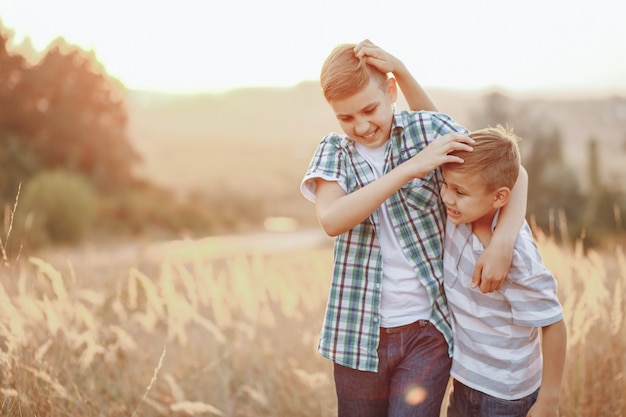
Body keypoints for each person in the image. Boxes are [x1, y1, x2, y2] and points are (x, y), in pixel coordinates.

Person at [300, 39, 528, 417]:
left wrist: (503, 242)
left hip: (428, 330)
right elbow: (332, 219)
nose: (361, 125)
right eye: (345, 117)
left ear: (391, 92)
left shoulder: (423, 130)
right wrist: (410, 168)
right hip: (356, 333)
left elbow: (511, 171)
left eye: (369, 109)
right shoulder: (334, 151)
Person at [441, 125, 567, 417]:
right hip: (464, 380)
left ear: (499, 198)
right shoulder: (459, 217)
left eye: (459, 191)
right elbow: (517, 171)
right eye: (445, 184)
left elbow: (553, 322)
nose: (447, 197)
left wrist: (549, 400)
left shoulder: (516, 255)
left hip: (507, 395)